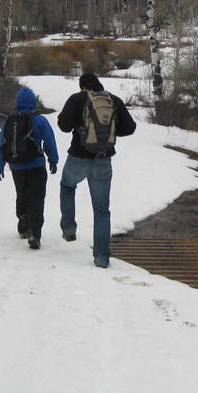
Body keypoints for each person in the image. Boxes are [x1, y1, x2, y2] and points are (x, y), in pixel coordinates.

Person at [57, 73, 136, 268]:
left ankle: (68, 228)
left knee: (67, 186)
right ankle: (101, 257)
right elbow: (130, 128)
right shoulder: (113, 100)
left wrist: (81, 126)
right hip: (103, 160)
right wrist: (108, 131)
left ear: (82, 86)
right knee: (101, 211)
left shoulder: (77, 99)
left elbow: (63, 125)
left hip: (78, 158)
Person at [0, 87, 59, 250]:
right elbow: (49, 142)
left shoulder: (9, 120)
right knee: (36, 198)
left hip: (16, 166)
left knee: (21, 194)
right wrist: (53, 160)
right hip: (36, 166)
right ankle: (34, 233)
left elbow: (1, 143)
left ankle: (23, 224)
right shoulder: (39, 120)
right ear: (33, 103)